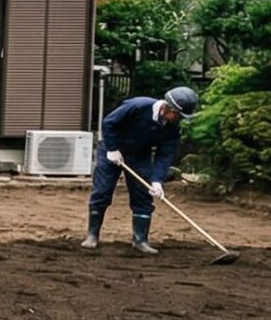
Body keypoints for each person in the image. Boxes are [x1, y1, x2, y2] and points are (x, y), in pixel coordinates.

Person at [86, 86, 200, 254]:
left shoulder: (172, 128)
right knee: (102, 191)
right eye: (178, 115)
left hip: (139, 155)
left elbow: (165, 155)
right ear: (168, 108)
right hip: (112, 150)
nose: (179, 119)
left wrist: (157, 180)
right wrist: (111, 149)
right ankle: (92, 236)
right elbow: (109, 123)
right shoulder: (138, 106)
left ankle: (140, 241)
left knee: (143, 195)